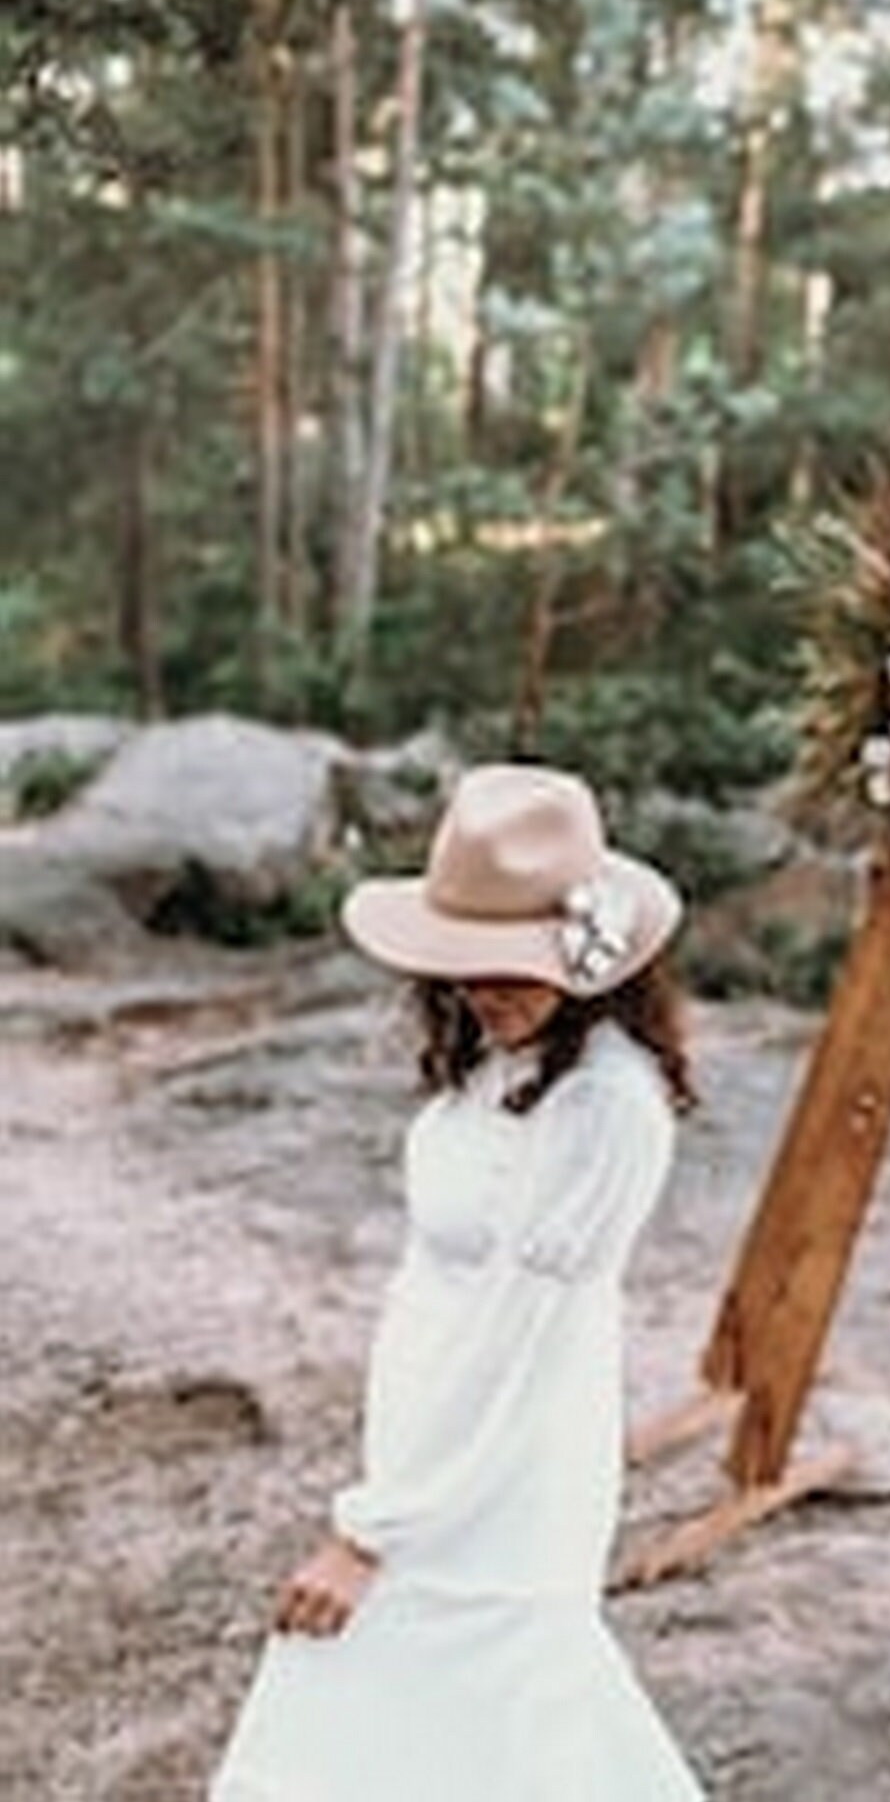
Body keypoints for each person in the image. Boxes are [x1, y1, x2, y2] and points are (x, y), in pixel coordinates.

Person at [213, 763, 706, 1800]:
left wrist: (370, 1530)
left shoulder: (605, 1108)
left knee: (416, 1675)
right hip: (432, 1419)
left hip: (507, 1451)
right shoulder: (501, 1059)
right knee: (433, 1712)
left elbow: (515, 1332)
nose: (486, 990)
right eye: (467, 963)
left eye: (514, 967)